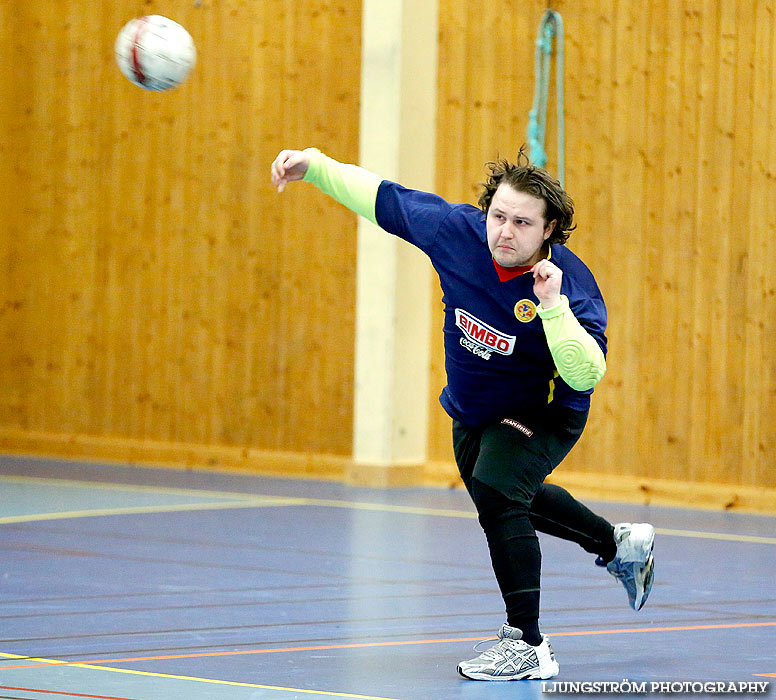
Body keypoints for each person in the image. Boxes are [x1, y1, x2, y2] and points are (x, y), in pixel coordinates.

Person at [270, 147, 655, 681]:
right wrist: (313, 165)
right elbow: (387, 200)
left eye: (522, 223)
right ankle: (618, 544)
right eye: (499, 215)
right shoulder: (458, 233)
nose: (505, 231)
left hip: (544, 412)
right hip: (473, 409)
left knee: (498, 490)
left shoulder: (568, 280)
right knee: (504, 493)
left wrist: (553, 307)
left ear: (548, 231)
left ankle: (528, 643)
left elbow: (587, 372)